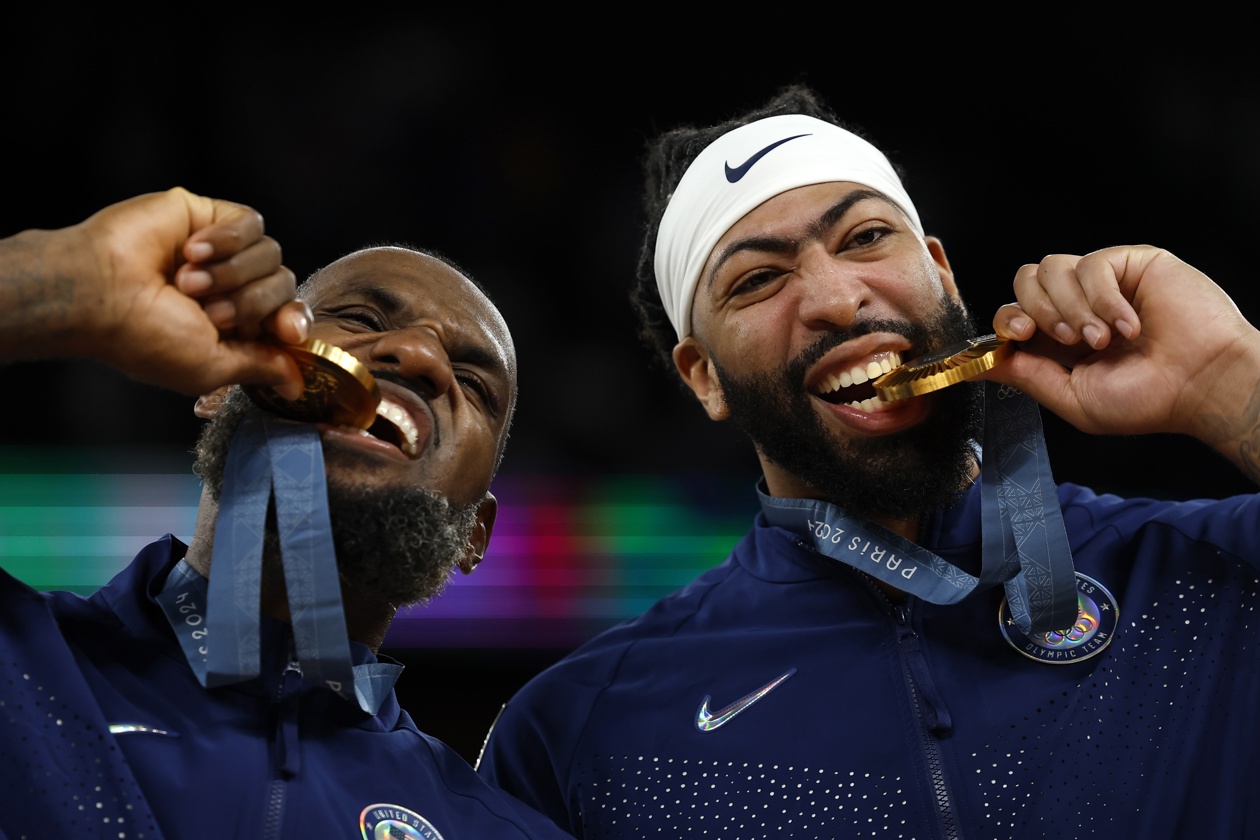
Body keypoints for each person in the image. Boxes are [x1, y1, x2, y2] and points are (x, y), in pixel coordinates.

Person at [475, 85, 1260, 838]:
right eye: (758, 280)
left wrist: (1228, 380)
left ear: (942, 273)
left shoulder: (1209, 573)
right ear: (703, 376)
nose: (836, 297)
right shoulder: (578, 731)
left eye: (866, 237)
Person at [0, 187, 576, 839]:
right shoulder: (19, 664)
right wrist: (57, 279)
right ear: (222, 387)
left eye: (473, 384)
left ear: (475, 535)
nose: (417, 357)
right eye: (358, 318)